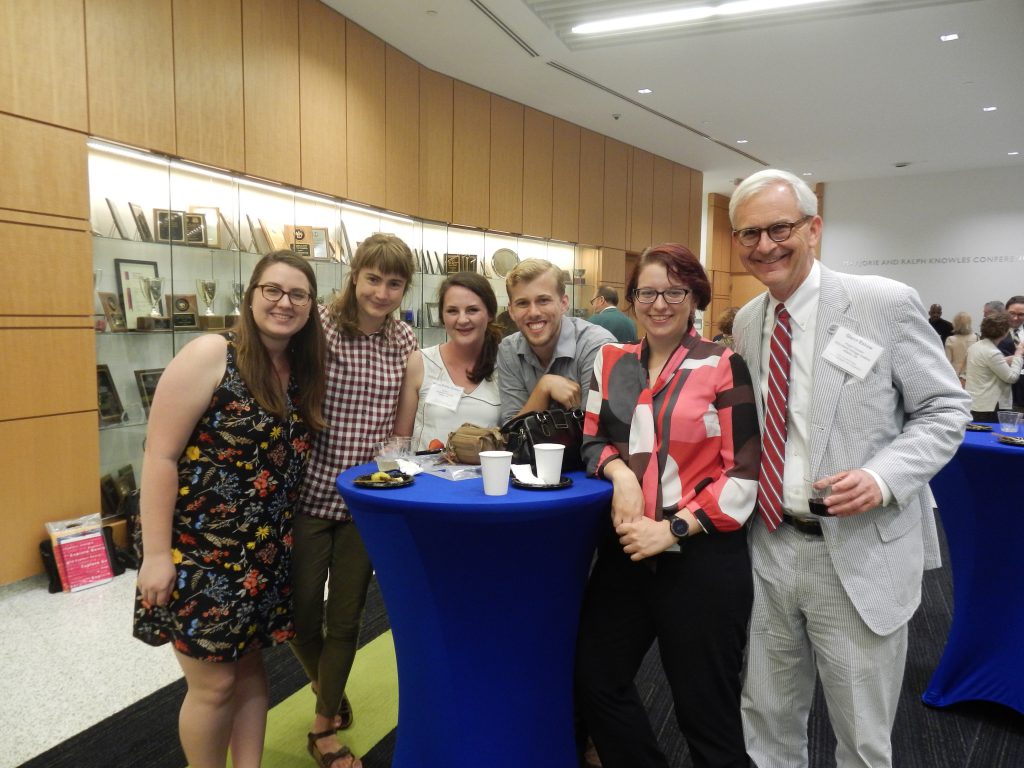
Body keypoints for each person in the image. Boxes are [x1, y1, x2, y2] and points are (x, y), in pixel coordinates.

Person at [729, 169, 970, 768]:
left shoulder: (881, 304)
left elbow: (945, 409)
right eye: (748, 233)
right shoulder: (747, 321)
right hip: (771, 542)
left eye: (779, 228)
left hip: (859, 549)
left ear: (813, 228)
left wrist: (884, 477)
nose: (765, 246)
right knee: (766, 712)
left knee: (861, 734)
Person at [133, 250, 326, 768]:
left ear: (311, 307)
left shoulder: (299, 372)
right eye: (273, 290)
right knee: (213, 684)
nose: (284, 303)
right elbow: (160, 456)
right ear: (252, 295)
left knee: (250, 672)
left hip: (264, 551)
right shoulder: (211, 353)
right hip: (198, 551)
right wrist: (155, 556)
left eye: (298, 294)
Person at [575, 243, 760, 768]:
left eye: (674, 291)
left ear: (694, 297)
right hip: (628, 550)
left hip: (699, 556)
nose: (660, 303)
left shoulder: (722, 365)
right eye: (648, 292)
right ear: (631, 299)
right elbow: (591, 439)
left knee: (705, 712)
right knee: (597, 680)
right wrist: (619, 474)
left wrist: (676, 527)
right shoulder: (611, 362)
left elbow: (743, 470)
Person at [290, 234, 418, 768]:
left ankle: (324, 729)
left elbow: (401, 431)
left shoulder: (404, 341)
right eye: (374, 278)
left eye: (394, 283)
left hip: (363, 502)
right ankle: (328, 685)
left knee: (345, 619)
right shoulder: (317, 324)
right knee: (297, 617)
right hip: (306, 494)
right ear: (354, 274)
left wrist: (394, 480)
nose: (382, 292)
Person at [496, 258, 615, 424]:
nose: (534, 312)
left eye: (543, 300)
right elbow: (511, 435)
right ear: (511, 311)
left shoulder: (597, 346)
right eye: (522, 303)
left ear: (564, 303)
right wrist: (543, 388)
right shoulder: (508, 350)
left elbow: (597, 433)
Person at [394, 272, 502, 450]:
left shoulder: (505, 365)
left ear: (490, 313)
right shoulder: (421, 362)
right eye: (452, 311)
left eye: (472, 310)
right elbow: (401, 437)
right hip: (428, 476)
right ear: (442, 317)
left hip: (485, 476)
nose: (462, 319)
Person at [964, 310, 1023, 422]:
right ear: (1005, 331)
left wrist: (1005, 360)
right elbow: (1011, 378)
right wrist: (1018, 356)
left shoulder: (975, 346)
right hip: (990, 407)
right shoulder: (993, 352)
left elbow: (986, 366)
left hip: (976, 403)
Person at [997, 295, 1024, 411]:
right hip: (1003, 392)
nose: (1015, 318)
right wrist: (1017, 356)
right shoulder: (995, 332)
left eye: (1021, 315)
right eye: (1012, 313)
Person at [943, 311, 977, 386]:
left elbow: (947, 361)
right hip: (972, 375)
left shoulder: (950, 340)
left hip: (955, 376)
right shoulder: (976, 338)